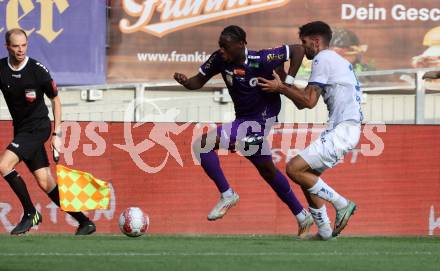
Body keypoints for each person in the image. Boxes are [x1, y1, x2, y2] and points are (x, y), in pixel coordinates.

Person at [174, 25, 314, 237]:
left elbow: (298, 50)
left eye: (225, 46)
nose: (221, 50)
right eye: (220, 46)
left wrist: (288, 80)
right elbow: (198, 81)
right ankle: (302, 215)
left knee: (202, 144)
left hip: (261, 120)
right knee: (267, 171)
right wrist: (186, 83)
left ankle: (227, 195)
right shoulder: (220, 59)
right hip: (244, 122)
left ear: (241, 45)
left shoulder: (263, 58)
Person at [258, 21, 362, 240]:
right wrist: (284, 79)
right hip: (344, 128)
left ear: (316, 41)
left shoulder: (323, 58)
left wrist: (281, 87)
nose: (303, 48)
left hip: (344, 128)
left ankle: (342, 204)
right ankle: (324, 231)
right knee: (308, 175)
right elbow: (302, 101)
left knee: (294, 169)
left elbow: (308, 102)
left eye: (304, 43)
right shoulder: (332, 60)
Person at [0, 28, 96, 235]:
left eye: (24, 45)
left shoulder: (37, 70)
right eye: (16, 46)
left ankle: (29, 213)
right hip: (22, 129)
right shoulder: (1, 68)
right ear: (7, 46)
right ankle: (84, 221)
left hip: (39, 127)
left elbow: (56, 100)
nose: (20, 50)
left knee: (3, 165)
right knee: (45, 181)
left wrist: (57, 134)